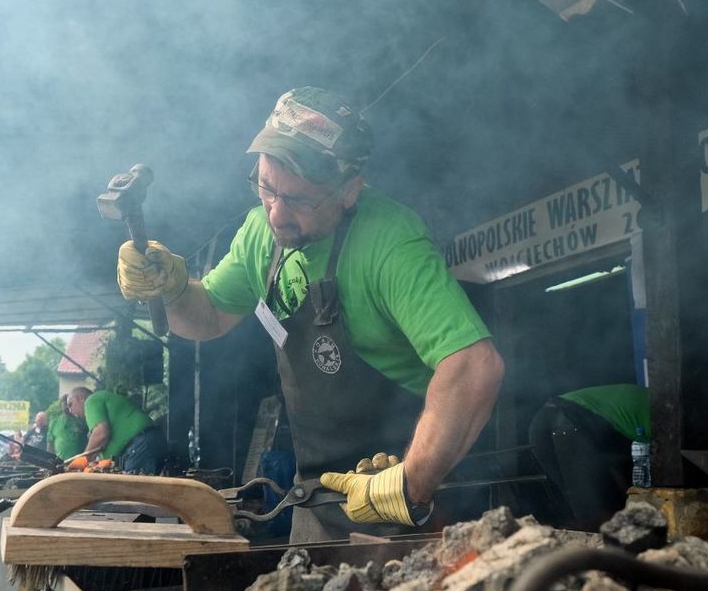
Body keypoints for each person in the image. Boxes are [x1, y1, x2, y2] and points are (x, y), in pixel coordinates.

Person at [116, 87, 503, 542]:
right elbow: (209, 316)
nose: (277, 214)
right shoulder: (260, 231)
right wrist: (173, 288)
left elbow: (475, 366)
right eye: (266, 187)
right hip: (319, 493)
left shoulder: (392, 242)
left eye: (299, 201)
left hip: (417, 491)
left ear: (348, 191)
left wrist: (411, 481)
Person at [527, 384, 650, 532]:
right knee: (602, 518)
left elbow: (616, 465)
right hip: (569, 421)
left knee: (584, 510)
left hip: (541, 422)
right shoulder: (669, 416)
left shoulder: (644, 407)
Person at [66, 387, 166, 474]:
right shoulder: (104, 400)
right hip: (150, 441)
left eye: (70, 404)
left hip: (140, 444)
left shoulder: (91, 400)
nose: (70, 410)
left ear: (80, 398)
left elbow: (101, 434)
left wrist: (83, 460)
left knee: (130, 491)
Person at [46, 395, 88, 461]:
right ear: (61, 405)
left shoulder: (82, 419)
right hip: (60, 463)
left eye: (70, 404)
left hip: (80, 462)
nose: (67, 407)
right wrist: (49, 460)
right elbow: (50, 443)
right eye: (65, 404)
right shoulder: (54, 421)